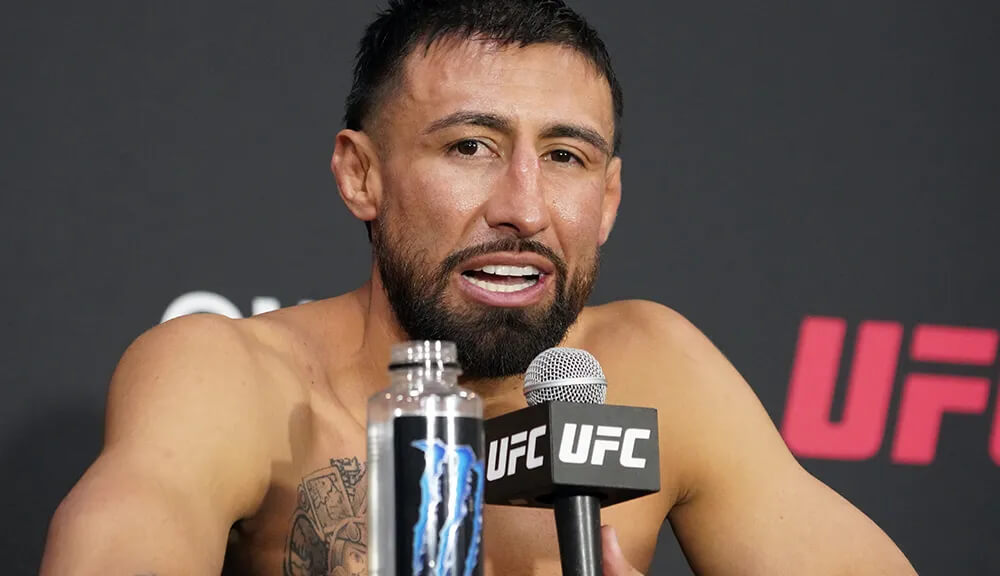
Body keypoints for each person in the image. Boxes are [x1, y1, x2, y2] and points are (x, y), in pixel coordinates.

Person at [40, 1, 917, 574]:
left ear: (609, 199)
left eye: (565, 157)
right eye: (470, 147)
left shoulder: (659, 371)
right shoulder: (228, 376)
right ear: (361, 174)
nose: (524, 209)